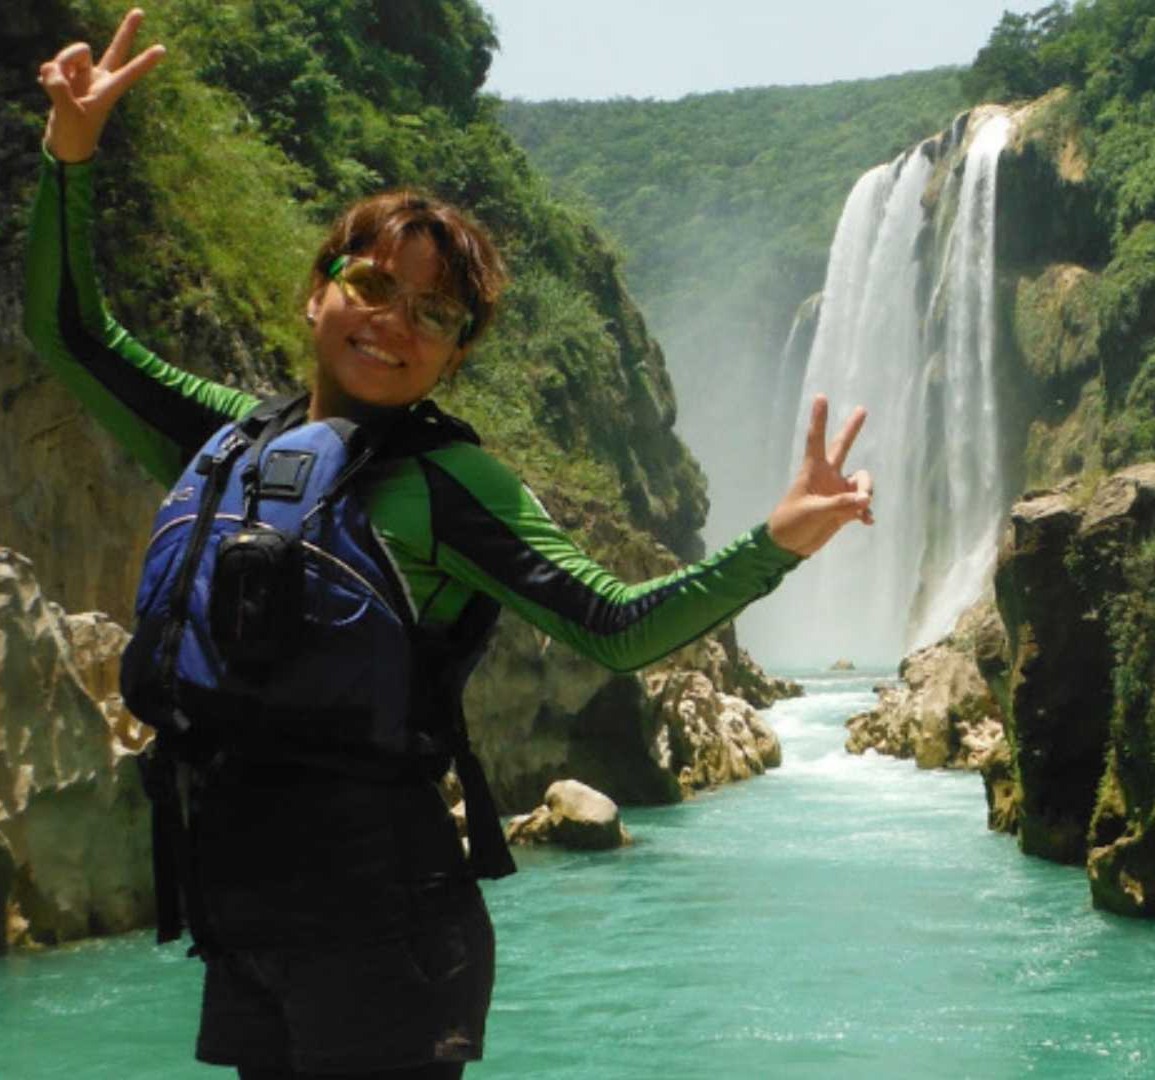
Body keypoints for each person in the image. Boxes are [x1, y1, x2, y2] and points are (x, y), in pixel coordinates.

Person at [25, 10, 874, 1079]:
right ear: (318, 289)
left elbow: (613, 626)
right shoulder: (232, 439)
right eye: (374, 286)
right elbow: (69, 335)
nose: (395, 322)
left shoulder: (448, 484)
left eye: (436, 315)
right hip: (241, 910)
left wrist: (777, 541)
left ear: (456, 356)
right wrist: (69, 156)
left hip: (383, 924)